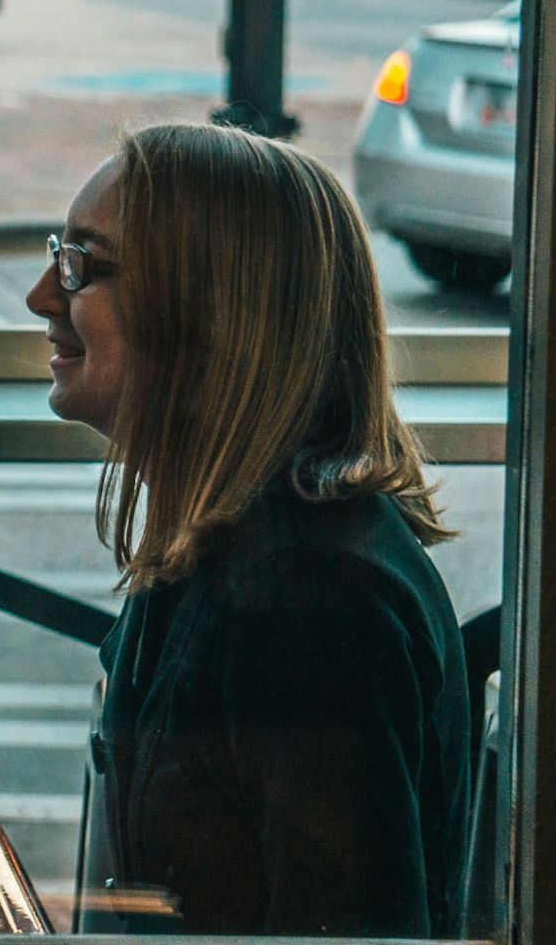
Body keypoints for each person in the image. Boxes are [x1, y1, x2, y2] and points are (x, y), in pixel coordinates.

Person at [27, 122, 472, 936]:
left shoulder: (308, 599)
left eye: (80, 267)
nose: (43, 298)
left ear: (208, 309)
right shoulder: (247, 541)